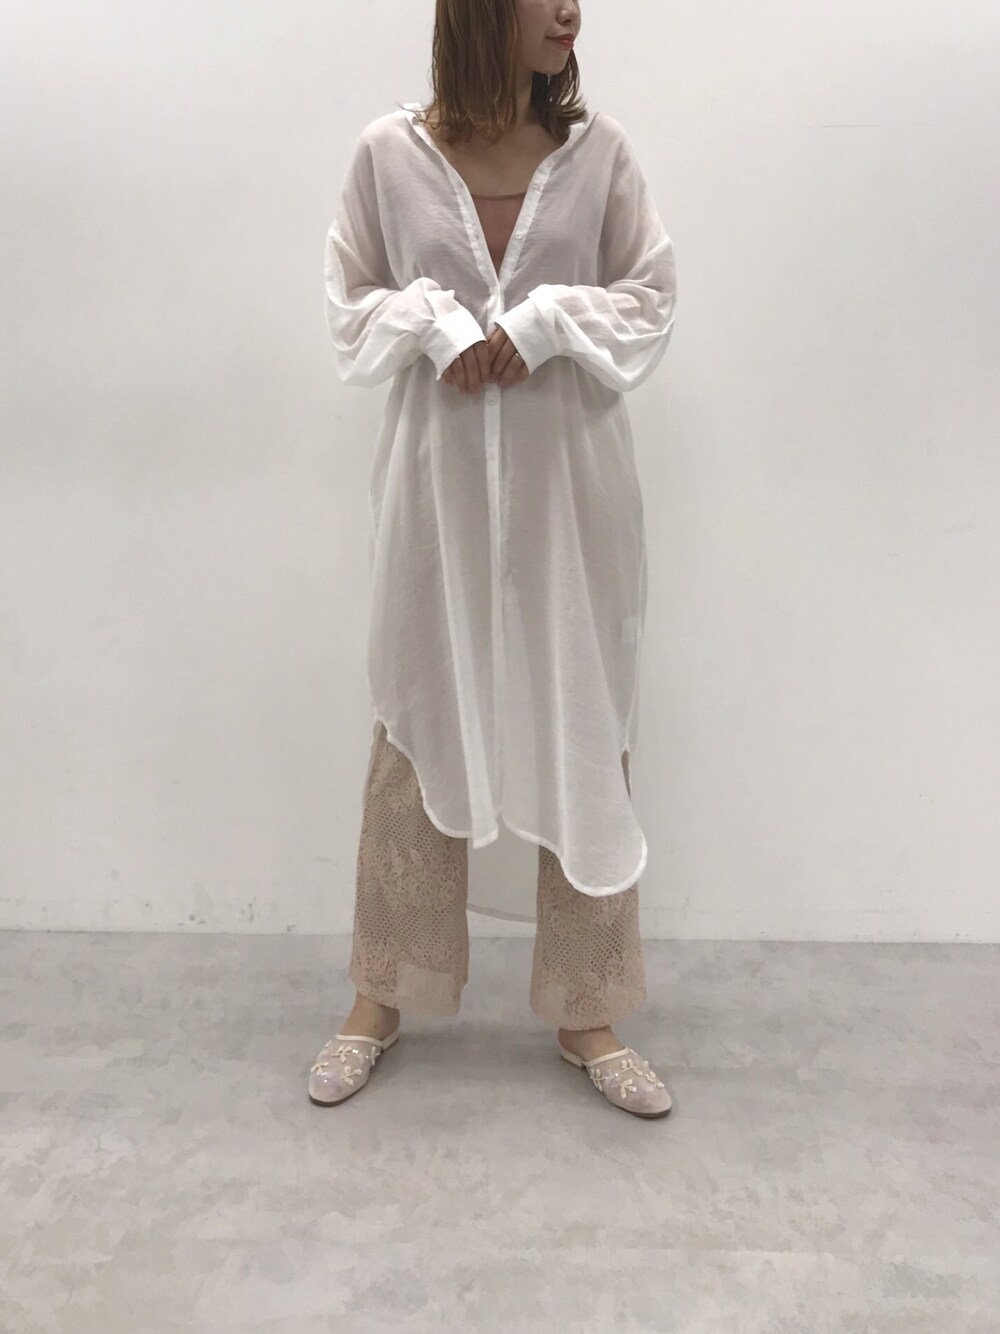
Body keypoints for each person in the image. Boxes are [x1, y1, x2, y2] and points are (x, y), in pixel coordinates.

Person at [313, 0, 678, 1118]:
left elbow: (651, 298)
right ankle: (383, 990)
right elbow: (349, 305)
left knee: (581, 716)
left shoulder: (599, 155)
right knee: (416, 710)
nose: (570, 10)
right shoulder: (389, 155)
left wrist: (549, 319)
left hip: (571, 495)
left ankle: (588, 1005)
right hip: (435, 498)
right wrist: (433, 324)